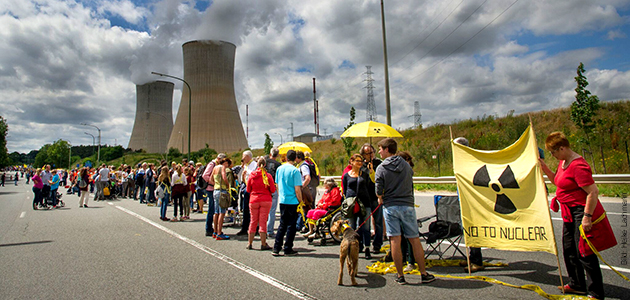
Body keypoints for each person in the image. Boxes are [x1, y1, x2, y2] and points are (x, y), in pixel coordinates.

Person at [539, 132, 607, 299]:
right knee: (569, 249)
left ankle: (596, 293)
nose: (552, 155)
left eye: (553, 152)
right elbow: (558, 182)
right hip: (568, 212)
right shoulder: (563, 162)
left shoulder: (577, 165)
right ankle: (577, 284)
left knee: (584, 252)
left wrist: (587, 216)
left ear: (562, 148)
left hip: (580, 211)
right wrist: (545, 168)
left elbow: (593, 192)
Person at [375, 138, 435, 284]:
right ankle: (423, 273)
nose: (379, 152)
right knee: (414, 239)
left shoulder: (381, 168)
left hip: (390, 206)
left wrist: (380, 197)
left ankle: (400, 275)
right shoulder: (407, 166)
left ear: (387, 149)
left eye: (381, 149)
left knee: (395, 240)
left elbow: (378, 190)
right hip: (407, 205)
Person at [451, 137, 485, 272]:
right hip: (464, 200)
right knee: (468, 231)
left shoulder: (470, 160)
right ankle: (471, 256)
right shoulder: (462, 161)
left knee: (473, 230)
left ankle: (477, 260)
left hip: (472, 202)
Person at [272, 150, 303, 256]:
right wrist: (300, 200)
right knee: (291, 225)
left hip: (283, 200)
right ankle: (288, 247)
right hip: (292, 200)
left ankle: (276, 247)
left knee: (282, 224)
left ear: (286, 158)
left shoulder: (279, 169)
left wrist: (281, 195)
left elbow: (277, 184)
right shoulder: (295, 171)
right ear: (295, 159)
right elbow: (297, 188)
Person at [342, 153, 373, 259]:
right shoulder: (346, 175)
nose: (360, 163)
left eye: (361, 161)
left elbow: (370, 186)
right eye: (357, 161)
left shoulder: (365, 174)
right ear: (352, 162)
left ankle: (367, 248)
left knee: (366, 227)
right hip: (352, 204)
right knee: (352, 227)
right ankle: (353, 247)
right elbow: (345, 189)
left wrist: (371, 171)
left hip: (364, 203)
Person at [246, 157, 276, 250]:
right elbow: (272, 189)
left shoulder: (252, 175)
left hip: (254, 199)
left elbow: (248, 189)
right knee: (263, 222)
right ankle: (263, 243)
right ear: (265, 165)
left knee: (253, 221)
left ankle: (250, 243)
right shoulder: (268, 176)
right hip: (266, 200)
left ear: (257, 165)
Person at [360, 143, 384, 254]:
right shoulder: (361, 166)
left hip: (375, 196)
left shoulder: (379, 164)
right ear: (363, 155)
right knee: (365, 223)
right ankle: (365, 244)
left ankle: (377, 244)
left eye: (372, 152)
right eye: (368, 153)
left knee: (378, 222)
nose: (371, 155)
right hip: (365, 197)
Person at [203, 153, 226, 237]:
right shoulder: (212, 164)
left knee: (215, 210)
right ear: (219, 158)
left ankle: (214, 229)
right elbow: (205, 175)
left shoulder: (217, 165)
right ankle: (208, 228)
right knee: (212, 209)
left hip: (215, 189)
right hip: (211, 189)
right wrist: (214, 183)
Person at [237, 150, 257, 236]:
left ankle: (253, 228)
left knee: (252, 210)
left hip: (251, 189)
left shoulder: (254, 165)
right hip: (245, 187)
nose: (242, 159)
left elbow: (253, 177)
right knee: (245, 209)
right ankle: (245, 228)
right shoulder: (246, 165)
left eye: (244, 157)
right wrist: (242, 177)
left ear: (248, 157)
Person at [211, 158, 232, 240]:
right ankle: (219, 233)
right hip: (221, 191)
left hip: (215, 190)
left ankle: (215, 231)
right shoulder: (222, 168)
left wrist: (216, 185)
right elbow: (224, 177)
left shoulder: (215, 168)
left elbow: (210, 179)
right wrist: (227, 185)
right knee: (222, 212)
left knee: (216, 212)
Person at [266, 147, 282, 237]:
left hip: (264, 188)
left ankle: (262, 229)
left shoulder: (265, 162)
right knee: (272, 210)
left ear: (270, 154)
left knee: (264, 210)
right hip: (273, 188)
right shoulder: (278, 165)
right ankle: (269, 230)